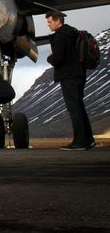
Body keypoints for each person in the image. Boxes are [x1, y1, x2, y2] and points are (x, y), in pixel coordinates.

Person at [46, 11, 95, 150]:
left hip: (69, 76)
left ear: (58, 21)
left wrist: (49, 58)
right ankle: (88, 139)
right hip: (79, 74)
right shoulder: (72, 32)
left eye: (50, 22)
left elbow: (58, 58)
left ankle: (79, 142)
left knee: (74, 109)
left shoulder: (60, 36)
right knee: (80, 107)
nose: (48, 25)